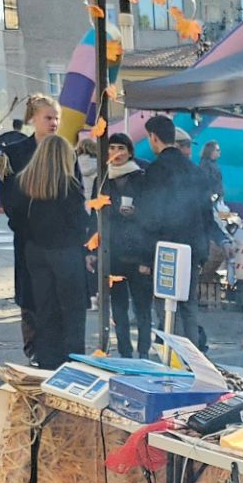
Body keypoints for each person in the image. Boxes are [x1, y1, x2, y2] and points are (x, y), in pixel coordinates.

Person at [2, 136, 91, 369]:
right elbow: (80, 221)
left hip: (35, 252)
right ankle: (73, 362)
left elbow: (15, 218)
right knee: (72, 311)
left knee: (45, 308)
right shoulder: (68, 185)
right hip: (65, 253)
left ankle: (47, 361)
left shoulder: (24, 182)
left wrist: (31, 235)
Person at [134, 114, 212, 344]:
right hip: (192, 248)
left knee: (166, 306)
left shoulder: (155, 172)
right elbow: (206, 214)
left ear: (153, 137)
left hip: (164, 249)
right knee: (188, 305)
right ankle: (193, 357)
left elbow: (150, 216)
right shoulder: (196, 171)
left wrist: (145, 257)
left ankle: (173, 359)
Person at [1, 93, 59, 359]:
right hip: (27, 235)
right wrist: (23, 224)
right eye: (48, 117)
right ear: (34, 119)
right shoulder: (16, 152)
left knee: (54, 294)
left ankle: (51, 346)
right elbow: (9, 195)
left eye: (57, 118)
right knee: (30, 293)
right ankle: (33, 347)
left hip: (57, 238)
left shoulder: (62, 151)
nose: (54, 123)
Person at [100, 132, 153, 359]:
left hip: (138, 253)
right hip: (113, 254)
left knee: (142, 308)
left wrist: (137, 213)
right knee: (118, 309)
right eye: (111, 148)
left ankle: (143, 351)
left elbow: (153, 216)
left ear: (130, 152)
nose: (116, 153)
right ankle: (125, 351)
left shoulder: (141, 177)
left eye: (121, 148)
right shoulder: (103, 180)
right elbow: (95, 214)